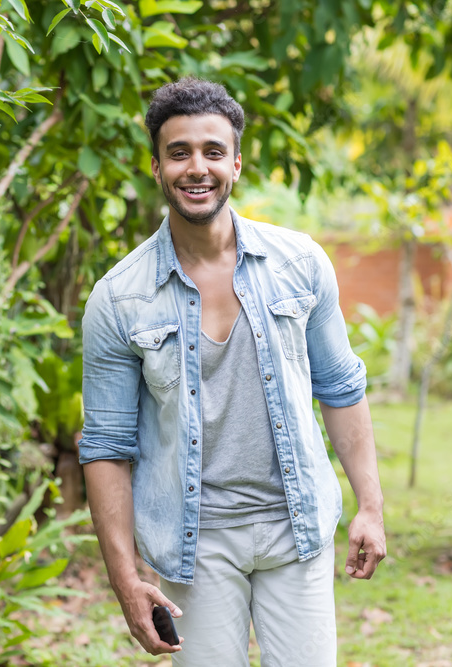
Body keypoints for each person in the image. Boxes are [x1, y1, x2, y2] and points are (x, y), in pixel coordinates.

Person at [78, 78, 386, 666]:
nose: (197, 168)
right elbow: (106, 448)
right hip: (195, 544)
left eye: (213, 151)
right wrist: (125, 577)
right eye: (179, 152)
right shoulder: (119, 298)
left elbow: (342, 388)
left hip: (296, 528)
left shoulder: (300, 264)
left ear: (236, 164)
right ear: (156, 166)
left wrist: (369, 506)